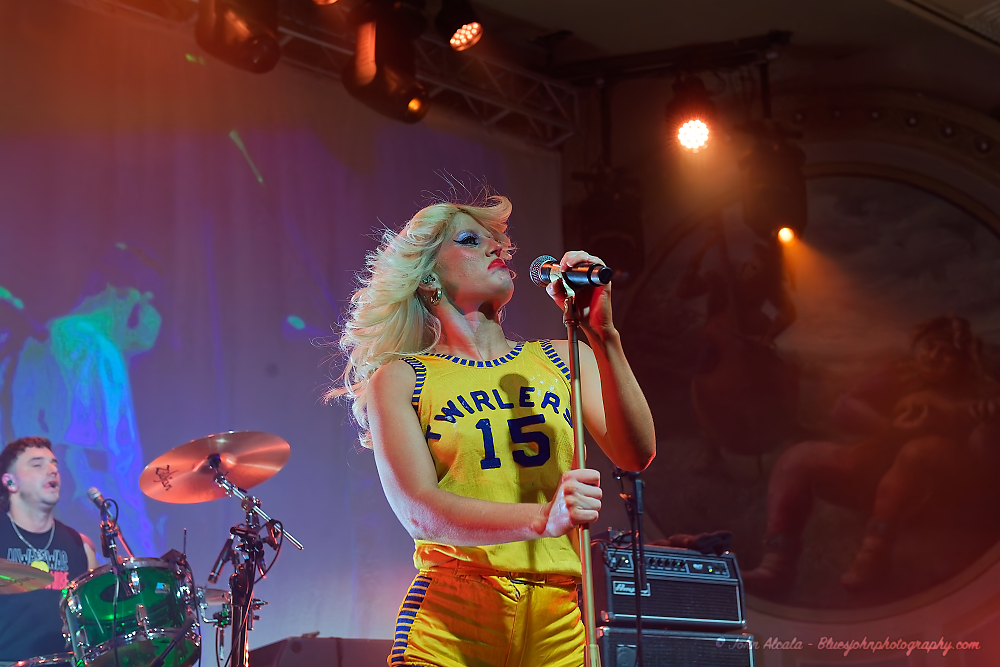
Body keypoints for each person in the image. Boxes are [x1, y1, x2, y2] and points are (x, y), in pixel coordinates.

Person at [331, 193, 655, 667]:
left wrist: (603, 334)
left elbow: (636, 453)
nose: (498, 249)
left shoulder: (563, 357)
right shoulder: (402, 377)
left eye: (500, 242)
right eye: (470, 240)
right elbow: (420, 511)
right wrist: (542, 519)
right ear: (427, 279)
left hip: (559, 619)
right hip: (453, 619)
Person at [743, 315, 1000, 596]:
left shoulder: (976, 388)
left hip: (940, 491)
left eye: (947, 353)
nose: (934, 357)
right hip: (875, 470)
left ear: (962, 360)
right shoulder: (903, 373)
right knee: (798, 457)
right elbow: (843, 407)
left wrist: (976, 419)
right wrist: (889, 426)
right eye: (930, 347)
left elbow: (983, 457)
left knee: (918, 451)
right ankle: (776, 567)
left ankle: (872, 557)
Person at [0, 436, 99, 664]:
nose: (52, 470)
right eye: (37, 464)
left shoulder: (80, 545)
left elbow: (93, 623)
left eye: (54, 463)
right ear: (10, 482)